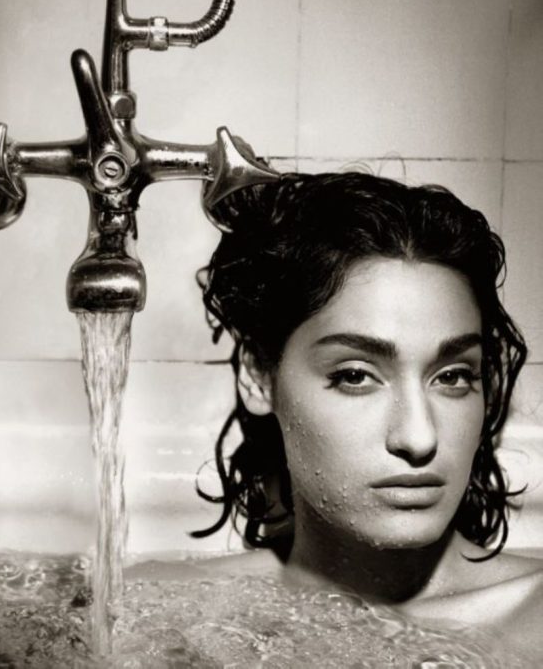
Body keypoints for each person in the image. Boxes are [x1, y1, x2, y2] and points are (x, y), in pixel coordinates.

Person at [193, 170, 543, 658]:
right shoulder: (176, 613)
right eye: (356, 376)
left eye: (453, 376)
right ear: (259, 377)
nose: (418, 438)